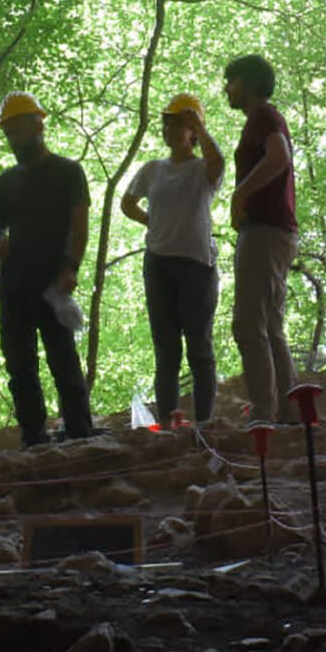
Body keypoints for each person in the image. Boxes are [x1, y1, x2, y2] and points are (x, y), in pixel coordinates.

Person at [0, 91, 94, 446]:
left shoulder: (68, 172)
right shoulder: (6, 181)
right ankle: (33, 434)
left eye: (19, 129)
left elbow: (79, 225)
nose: (14, 138)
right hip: (13, 283)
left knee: (62, 356)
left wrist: (71, 267)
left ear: (38, 125)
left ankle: (79, 429)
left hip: (51, 280)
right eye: (9, 132)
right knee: (19, 363)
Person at [121, 93, 225, 426]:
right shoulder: (153, 169)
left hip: (196, 266)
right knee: (166, 352)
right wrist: (153, 222)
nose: (170, 129)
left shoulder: (201, 169)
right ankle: (168, 424)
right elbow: (127, 203)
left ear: (193, 131)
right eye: (167, 123)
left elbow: (219, 163)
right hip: (159, 265)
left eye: (178, 123)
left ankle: (205, 424)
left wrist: (199, 126)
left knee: (199, 349)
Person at [222, 54, 299, 425]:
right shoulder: (263, 119)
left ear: (249, 83)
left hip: (266, 230)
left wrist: (240, 194)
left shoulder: (263, 117)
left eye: (232, 81)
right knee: (269, 325)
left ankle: (265, 414)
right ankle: (289, 411)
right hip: (273, 231)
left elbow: (279, 157)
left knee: (249, 324)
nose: (227, 88)